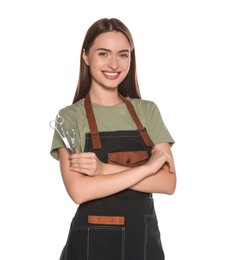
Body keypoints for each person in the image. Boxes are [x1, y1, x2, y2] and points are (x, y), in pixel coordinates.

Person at [50, 17, 176, 260]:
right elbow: (79, 191)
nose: (114, 64)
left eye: (123, 55)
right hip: (90, 244)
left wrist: (103, 169)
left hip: (142, 242)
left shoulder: (147, 111)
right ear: (86, 56)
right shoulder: (69, 118)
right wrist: (148, 168)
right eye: (103, 54)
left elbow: (167, 183)